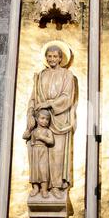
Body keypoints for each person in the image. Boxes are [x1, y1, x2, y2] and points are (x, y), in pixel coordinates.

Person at [23, 41, 78, 199]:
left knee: (57, 154)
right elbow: (33, 98)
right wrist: (30, 114)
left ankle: (56, 186)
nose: (52, 59)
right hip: (41, 117)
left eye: (55, 56)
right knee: (40, 157)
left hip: (60, 118)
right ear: (46, 58)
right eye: (49, 56)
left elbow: (67, 97)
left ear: (61, 58)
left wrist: (49, 104)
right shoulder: (40, 76)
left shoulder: (67, 75)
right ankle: (40, 187)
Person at [28, 109, 55, 198]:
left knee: (43, 170)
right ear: (37, 119)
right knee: (35, 170)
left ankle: (44, 189)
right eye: (42, 118)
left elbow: (51, 141)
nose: (45, 121)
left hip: (43, 151)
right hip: (35, 151)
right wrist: (29, 128)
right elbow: (24, 136)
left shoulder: (48, 131)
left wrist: (42, 137)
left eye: (47, 119)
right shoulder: (34, 130)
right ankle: (35, 187)